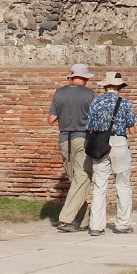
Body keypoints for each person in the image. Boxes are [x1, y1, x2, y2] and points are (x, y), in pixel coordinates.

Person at [85, 71, 137, 237]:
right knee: (122, 184)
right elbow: (132, 128)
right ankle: (122, 224)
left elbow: (90, 127)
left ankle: (96, 225)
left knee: (100, 185)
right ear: (119, 87)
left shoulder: (96, 102)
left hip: (100, 143)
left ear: (105, 87)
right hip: (119, 142)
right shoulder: (125, 103)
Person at [47, 63, 96, 233]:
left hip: (64, 139)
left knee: (75, 178)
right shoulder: (90, 95)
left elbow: (51, 119)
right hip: (82, 138)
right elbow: (94, 122)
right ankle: (66, 219)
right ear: (85, 78)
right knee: (82, 178)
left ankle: (81, 219)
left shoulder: (59, 93)